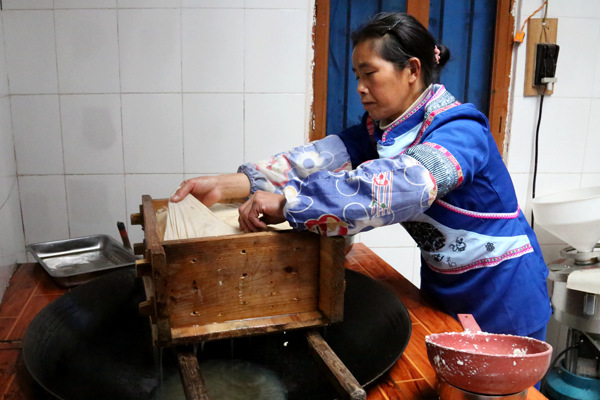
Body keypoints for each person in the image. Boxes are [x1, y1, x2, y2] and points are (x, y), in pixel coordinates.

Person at [171, 12, 551, 341]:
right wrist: (228, 185)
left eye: (370, 73)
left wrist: (290, 202)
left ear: (413, 70)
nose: (359, 88)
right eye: (356, 75)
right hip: (446, 288)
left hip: (504, 295)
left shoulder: (460, 131)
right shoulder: (383, 131)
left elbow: (403, 185)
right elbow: (313, 160)